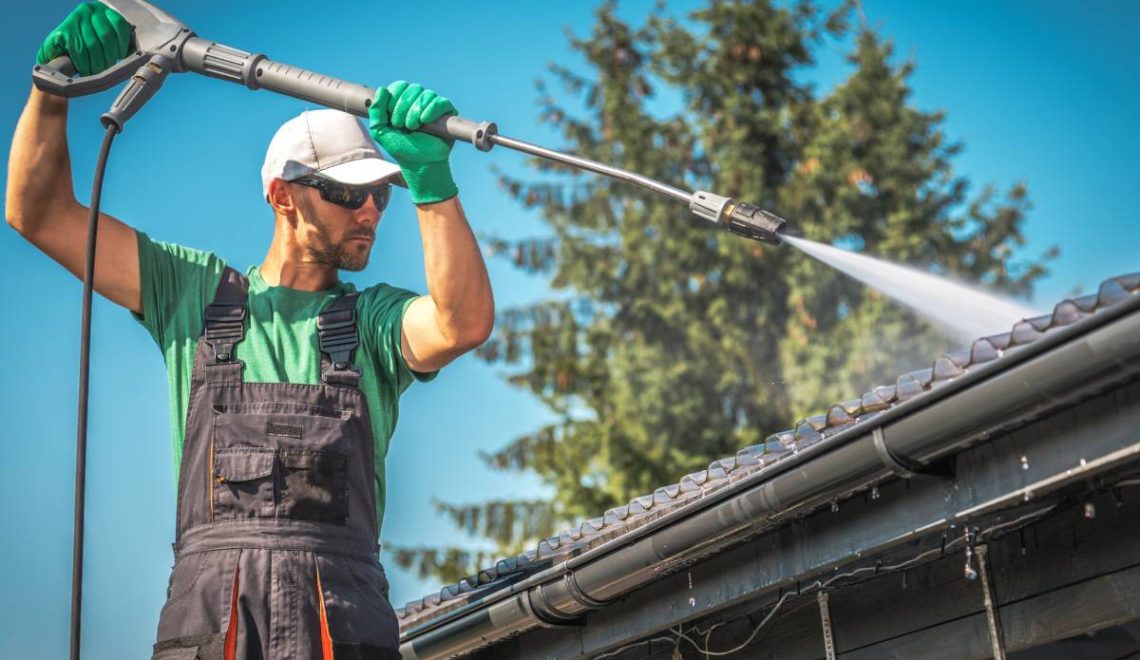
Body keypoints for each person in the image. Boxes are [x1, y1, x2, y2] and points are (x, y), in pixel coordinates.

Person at [8, 3, 494, 659]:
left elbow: (460, 324)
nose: (372, 211)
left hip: (340, 621)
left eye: (382, 193)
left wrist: (432, 183)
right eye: (349, 194)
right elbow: (38, 213)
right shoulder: (193, 295)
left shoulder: (375, 322)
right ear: (283, 195)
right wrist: (51, 87)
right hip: (213, 617)